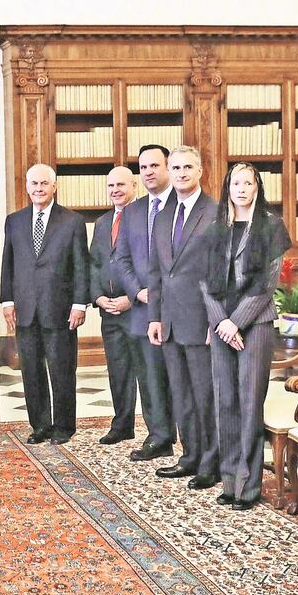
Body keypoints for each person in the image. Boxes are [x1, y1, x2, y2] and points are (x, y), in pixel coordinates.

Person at [200, 163, 291, 510]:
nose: (241, 188)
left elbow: (267, 283)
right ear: (227, 188)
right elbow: (204, 283)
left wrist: (236, 322)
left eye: (247, 182)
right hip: (221, 326)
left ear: (257, 187)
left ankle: (248, 487)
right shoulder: (215, 228)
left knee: (250, 404)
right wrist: (221, 322)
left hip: (256, 326)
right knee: (225, 403)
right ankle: (229, 482)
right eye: (235, 182)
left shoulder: (271, 226)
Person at [1, 164, 90, 445]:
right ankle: (40, 425)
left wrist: (80, 304)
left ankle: (64, 426)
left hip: (60, 309)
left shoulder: (72, 222)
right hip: (25, 309)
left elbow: (80, 266)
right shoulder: (14, 221)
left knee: (62, 368)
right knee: (31, 369)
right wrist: (7, 300)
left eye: (44, 184)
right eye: (34, 184)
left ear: (54, 187)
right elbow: (8, 263)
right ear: (27, 186)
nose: (38, 189)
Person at [148, 145, 219, 490]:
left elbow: (220, 274)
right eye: (174, 168)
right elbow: (158, 271)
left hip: (202, 322)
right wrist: (155, 317)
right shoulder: (163, 215)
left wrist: (215, 320)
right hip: (171, 321)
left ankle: (211, 462)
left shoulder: (216, 213)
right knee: (181, 394)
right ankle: (189, 456)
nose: (180, 173)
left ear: (201, 171)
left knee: (205, 395)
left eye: (187, 167)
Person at [113, 144, 177, 462]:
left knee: (181, 377)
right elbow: (121, 259)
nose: (149, 171)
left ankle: (193, 441)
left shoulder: (183, 206)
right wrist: (138, 292)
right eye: (144, 167)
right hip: (141, 308)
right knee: (149, 376)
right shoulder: (133, 211)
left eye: (155, 165)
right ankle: (159, 436)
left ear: (168, 168)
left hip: (179, 309)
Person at [89, 167, 141, 445]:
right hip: (108, 310)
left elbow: (150, 266)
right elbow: (94, 264)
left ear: (134, 185)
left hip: (138, 310)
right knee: (118, 370)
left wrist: (131, 299)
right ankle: (122, 425)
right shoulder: (102, 223)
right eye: (111, 185)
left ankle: (159, 433)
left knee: (147, 374)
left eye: (121, 184)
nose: (116, 190)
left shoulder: (146, 218)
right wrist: (97, 297)